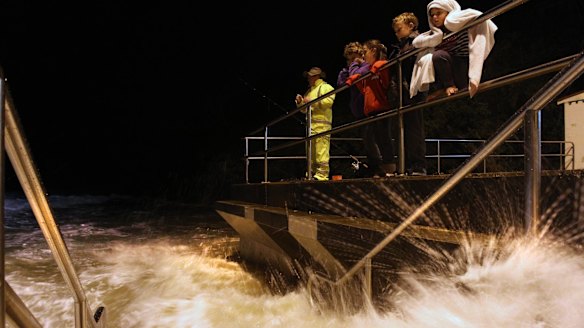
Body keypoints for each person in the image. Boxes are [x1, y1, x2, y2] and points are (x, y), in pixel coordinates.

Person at [411, 0, 498, 100]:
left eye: (438, 13)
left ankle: (454, 88)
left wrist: (451, 22)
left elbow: (476, 16)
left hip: (463, 65)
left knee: (439, 55)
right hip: (447, 71)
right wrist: (436, 37)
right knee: (431, 58)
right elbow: (417, 42)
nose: (434, 17)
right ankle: (446, 87)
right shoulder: (435, 34)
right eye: (432, 15)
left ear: (448, 12)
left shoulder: (459, 25)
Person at [345, 39, 396, 177]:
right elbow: (360, 85)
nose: (364, 56)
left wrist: (360, 69)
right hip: (370, 109)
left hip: (382, 107)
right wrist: (353, 78)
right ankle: (381, 168)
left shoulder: (379, 66)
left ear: (373, 51)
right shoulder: (370, 70)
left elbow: (383, 75)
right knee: (376, 138)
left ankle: (389, 167)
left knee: (384, 137)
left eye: (365, 52)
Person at [392, 12, 427, 176]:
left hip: (413, 91)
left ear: (411, 25)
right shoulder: (403, 45)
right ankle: (407, 165)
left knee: (414, 128)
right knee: (405, 129)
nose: (397, 34)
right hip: (404, 91)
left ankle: (418, 166)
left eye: (399, 29)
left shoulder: (416, 42)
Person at [295, 67, 336, 181]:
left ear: (316, 76)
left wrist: (311, 102)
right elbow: (304, 109)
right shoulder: (310, 90)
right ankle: (312, 173)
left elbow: (327, 102)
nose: (308, 78)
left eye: (310, 76)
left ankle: (322, 175)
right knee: (311, 152)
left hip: (322, 125)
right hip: (310, 126)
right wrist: (300, 103)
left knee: (321, 151)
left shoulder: (326, 87)